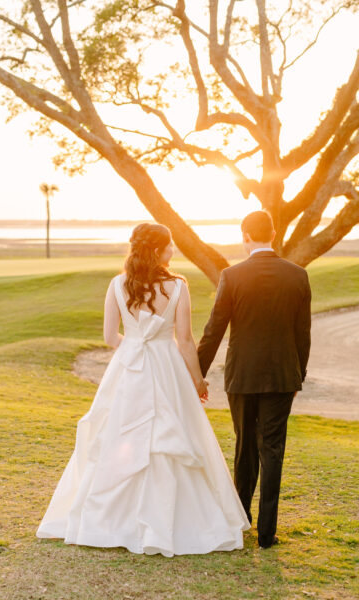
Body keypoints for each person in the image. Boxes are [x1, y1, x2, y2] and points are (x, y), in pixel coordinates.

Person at [36, 223, 250, 557]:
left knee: (119, 435)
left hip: (128, 369)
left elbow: (110, 338)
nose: (172, 251)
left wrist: (135, 345)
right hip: (168, 370)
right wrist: (197, 380)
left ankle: (109, 522)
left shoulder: (117, 284)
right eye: (169, 246)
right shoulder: (177, 286)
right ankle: (176, 524)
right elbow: (185, 340)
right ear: (156, 250)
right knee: (171, 436)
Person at [197, 210, 311, 549]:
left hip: (242, 375)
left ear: (245, 236)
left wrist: (195, 374)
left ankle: (240, 520)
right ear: (273, 234)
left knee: (245, 445)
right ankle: (266, 533)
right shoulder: (298, 276)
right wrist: (297, 375)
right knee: (272, 449)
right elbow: (302, 334)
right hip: (281, 377)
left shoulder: (231, 276)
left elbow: (214, 330)